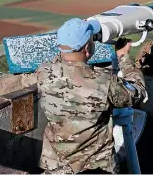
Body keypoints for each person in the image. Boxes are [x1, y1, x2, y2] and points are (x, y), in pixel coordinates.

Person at [36, 18, 147, 174]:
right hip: (95, 168)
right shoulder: (103, 80)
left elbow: (64, 64)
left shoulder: (44, 73)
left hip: (55, 167)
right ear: (87, 48)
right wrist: (123, 57)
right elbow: (137, 91)